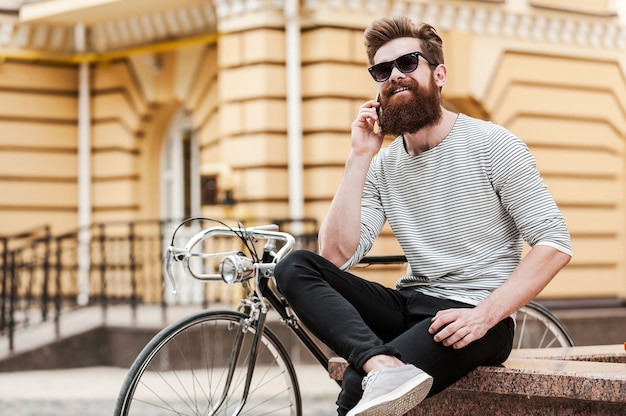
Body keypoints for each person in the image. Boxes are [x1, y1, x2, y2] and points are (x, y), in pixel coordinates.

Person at [274, 15, 572, 416]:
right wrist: (360, 156)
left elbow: (554, 243)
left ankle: (374, 370)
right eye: (383, 71)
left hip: (474, 316)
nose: (395, 76)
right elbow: (335, 257)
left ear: (440, 74)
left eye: (408, 63)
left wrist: (484, 314)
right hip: (409, 305)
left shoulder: (492, 145)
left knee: (356, 388)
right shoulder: (383, 165)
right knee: (293, 266)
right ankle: (381, 365)